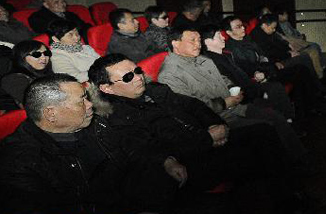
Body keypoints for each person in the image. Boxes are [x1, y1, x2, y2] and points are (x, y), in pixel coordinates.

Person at [87, 54, 308, 212]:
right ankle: (282, 200)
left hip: (205, 138)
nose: (137, 77)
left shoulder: (155, 90)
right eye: (128, 77)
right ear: (107, 88)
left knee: (263, 131)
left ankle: (287, 194)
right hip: (189, 159)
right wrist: (207, 139)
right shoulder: (116, 115)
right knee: (255, 155)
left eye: (137, 71)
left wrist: (215, 125)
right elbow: (152, 149)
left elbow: (194, 105)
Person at [0, 74, 175, 214]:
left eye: (86, 97)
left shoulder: (94, 123)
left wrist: (165, 160)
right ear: (51, 113)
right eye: (81, 101)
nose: (90, 104)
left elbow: (131, 146)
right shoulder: (15, 164)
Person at [159, 27, 308, 163]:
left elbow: (223, 78)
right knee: (267, 128)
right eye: (192, 40)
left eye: (199, 40)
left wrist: (232, 88)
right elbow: (190, 109)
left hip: (235, 108)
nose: (198, 44)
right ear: (175, 43)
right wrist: (224, 103)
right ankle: (290, 166)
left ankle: (299, 159)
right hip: (217, 120)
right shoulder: (170, 75)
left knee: (275, 115)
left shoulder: (203, 59)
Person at [200, 24, 296, 122]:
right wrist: (256, 90)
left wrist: (255, 73)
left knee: (276, 86)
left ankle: (289, 118)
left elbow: (244, 69)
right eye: (219, 36)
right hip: (242, 96)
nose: (223, 38)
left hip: (250, 85)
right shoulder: (212, 61)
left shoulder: (226, 54)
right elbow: (233, 82)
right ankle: (287, 119)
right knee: (274, 91)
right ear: (208, 41)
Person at [276, 7, 326, 77]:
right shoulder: (279, 27)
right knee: (314, 46)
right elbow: (290, 38)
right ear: (280, 16)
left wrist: (300, 36)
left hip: (298, 42)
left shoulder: (287, 23)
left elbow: (295, 32)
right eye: (285, 14)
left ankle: (322, 70)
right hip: (296, 45)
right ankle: (320, 72)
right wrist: (299, 39)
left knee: (315, 48)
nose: (287, 15)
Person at [1, 39, 54, 105]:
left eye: (46, 53)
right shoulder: (13, 79)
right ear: (22, 57)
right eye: (36, 54)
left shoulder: (48, 73)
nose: (44, 58)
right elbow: (35, 103)